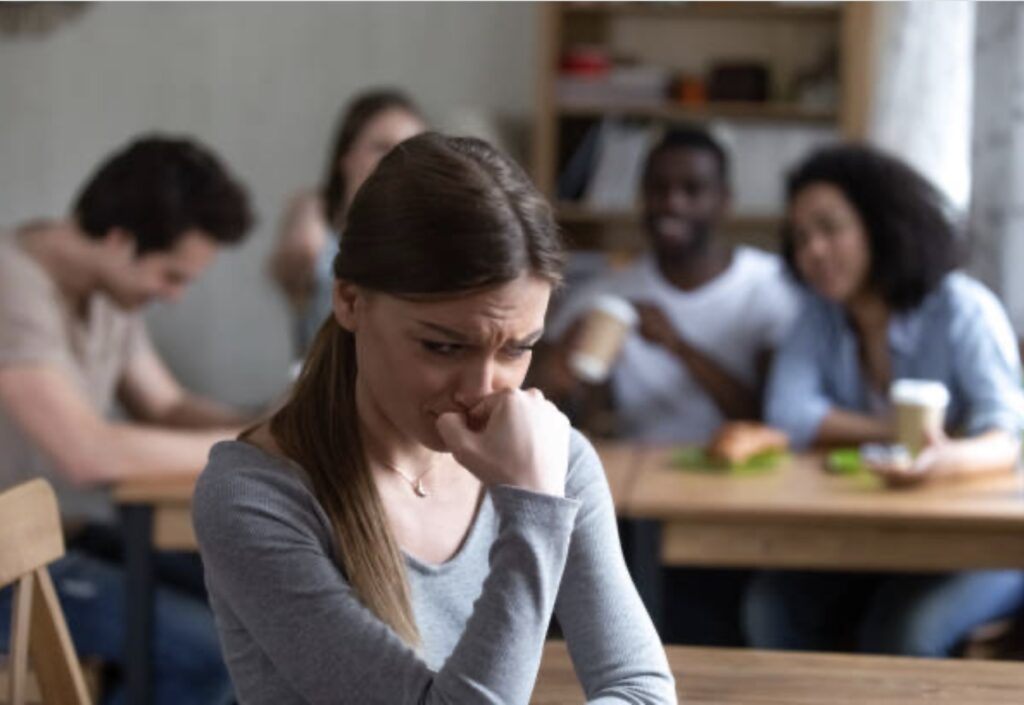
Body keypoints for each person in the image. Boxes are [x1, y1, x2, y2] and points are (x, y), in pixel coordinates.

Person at [193, 132, 676, 704]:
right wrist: (534, 514)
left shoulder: (553, 459)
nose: (480, 390)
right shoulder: (254, 496)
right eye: (444, 347)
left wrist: (538, 497)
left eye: (517, 349)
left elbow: (639, 688)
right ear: (348, 300)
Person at [0, 135, 256, 704]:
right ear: (120, 241)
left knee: (257, 610)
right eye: (171, 275)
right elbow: (85, 454)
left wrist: (273, 422)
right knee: (212, 658)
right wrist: (258, 446)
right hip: (9, 565)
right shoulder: (11, 285)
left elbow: (165, 405)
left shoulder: (109, 293)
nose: (174, 295)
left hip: (62, 543)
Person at [746, 144, 1024, 657]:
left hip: (985, 544)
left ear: (879, 223)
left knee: (903, 631)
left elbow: (1006, 437)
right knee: (770, 606)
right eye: (801, 237)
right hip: (875, 535)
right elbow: (787, 414)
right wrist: (901, 435)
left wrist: (946, 459)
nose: (814, 252)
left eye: (830, 228)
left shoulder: (962, 309)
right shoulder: (819, 315)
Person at [536, 124, 799, 646]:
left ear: (723, 201)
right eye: (658, 188)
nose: (671, 203)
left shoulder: (768, 288)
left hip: (738, 497)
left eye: (691, 190)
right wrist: (566, 366)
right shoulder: (611, 291)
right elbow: (541, 390)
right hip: (632, 500)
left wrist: (679, 347)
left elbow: (770, 418)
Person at [267, 88, 426, 356]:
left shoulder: (430, 241)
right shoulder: (314, 230)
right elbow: (291, 265)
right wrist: (307, 206)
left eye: (411, 149)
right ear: (347, 157)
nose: (399, 161)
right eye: (382, 147)